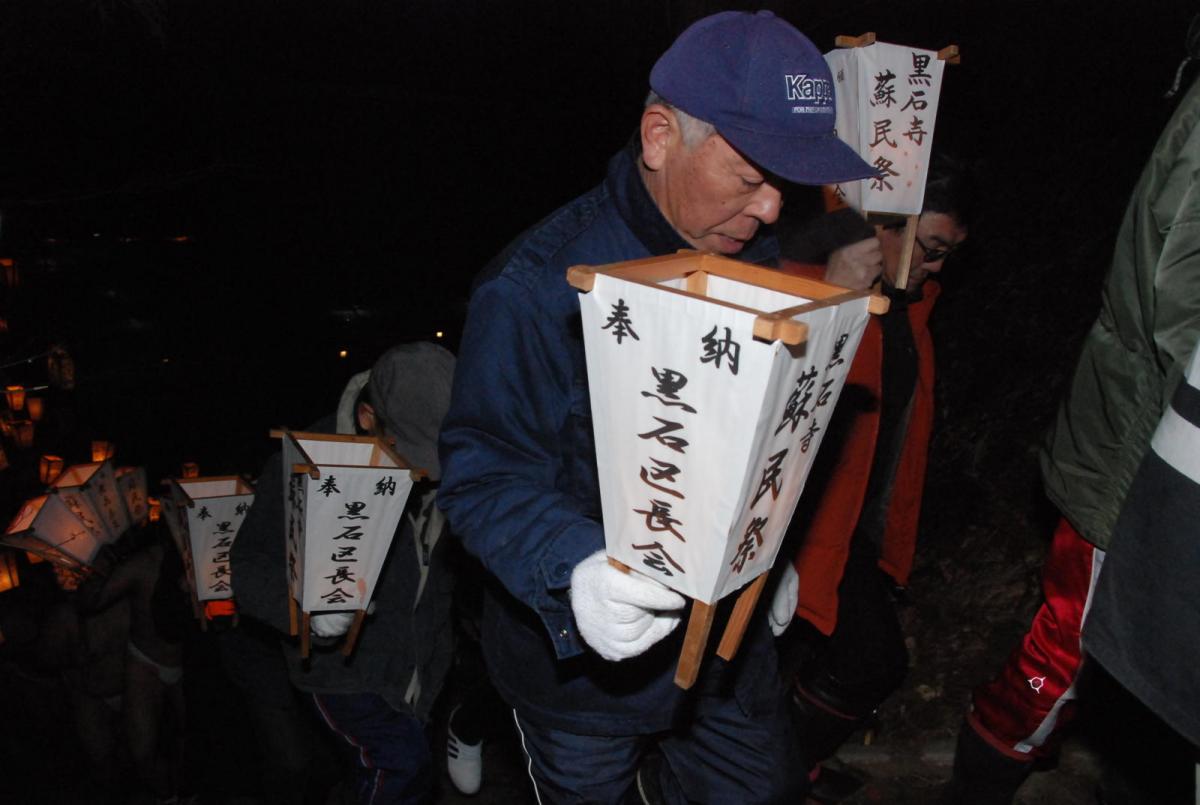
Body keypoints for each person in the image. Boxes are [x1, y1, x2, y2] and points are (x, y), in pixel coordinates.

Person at [436, 11, 876, 804]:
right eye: (750, 179)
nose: (775, 211)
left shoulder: (748, 248)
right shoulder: (534, 288)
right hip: (580, 676)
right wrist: (572, 566)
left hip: (724, 660)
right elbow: (477, 471)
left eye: (789, 183)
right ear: (659, 136)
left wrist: (765, 540)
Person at [941, 63, 1200, 805]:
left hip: (1170, 452)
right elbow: (1180, 298)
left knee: (1158, 679)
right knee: (1059, 661)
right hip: (1138, 454)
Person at [768, 156, 971, 803]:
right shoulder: (809, 282)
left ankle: (783, 769)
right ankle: (761, 777)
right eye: (932, 248)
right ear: (886, 222)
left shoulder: (911, 304)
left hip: (855, 523)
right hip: (803, 529)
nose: (937, 267)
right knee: (868, 659)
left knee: (812, 660)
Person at [231, 342, 457, 805]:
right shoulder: (305, 464)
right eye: (413, 453)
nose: (428, 474)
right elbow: (247, 568)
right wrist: (306, 609)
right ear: (368, 418)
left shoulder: (457, 446)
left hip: (419, 669)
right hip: (342, 670)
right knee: (399, 762)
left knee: (390, 777)